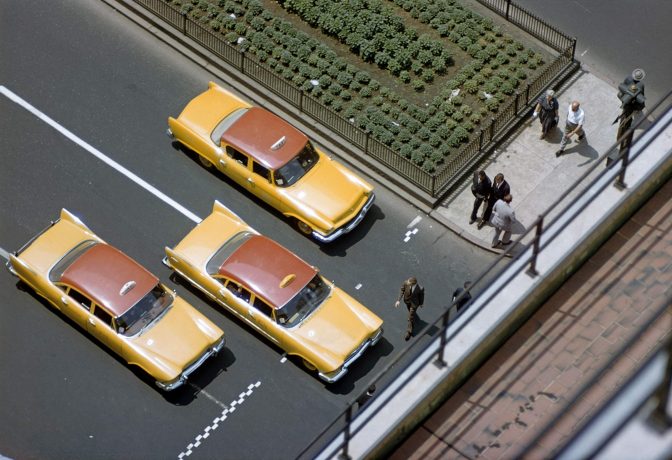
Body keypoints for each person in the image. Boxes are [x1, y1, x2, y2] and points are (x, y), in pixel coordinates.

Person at [395, 276, 424, 341]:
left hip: (414, 304)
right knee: (411, 313)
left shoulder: (420, 288)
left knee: (410, 317)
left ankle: (409, 332)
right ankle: (412, 316)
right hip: (407, 301)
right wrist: (398, 300)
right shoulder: (406, 282)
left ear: (413, 284)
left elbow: (421, 296)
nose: (407, 283)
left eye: (409, 283)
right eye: (407, 282)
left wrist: (421, 303)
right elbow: (402, 290)